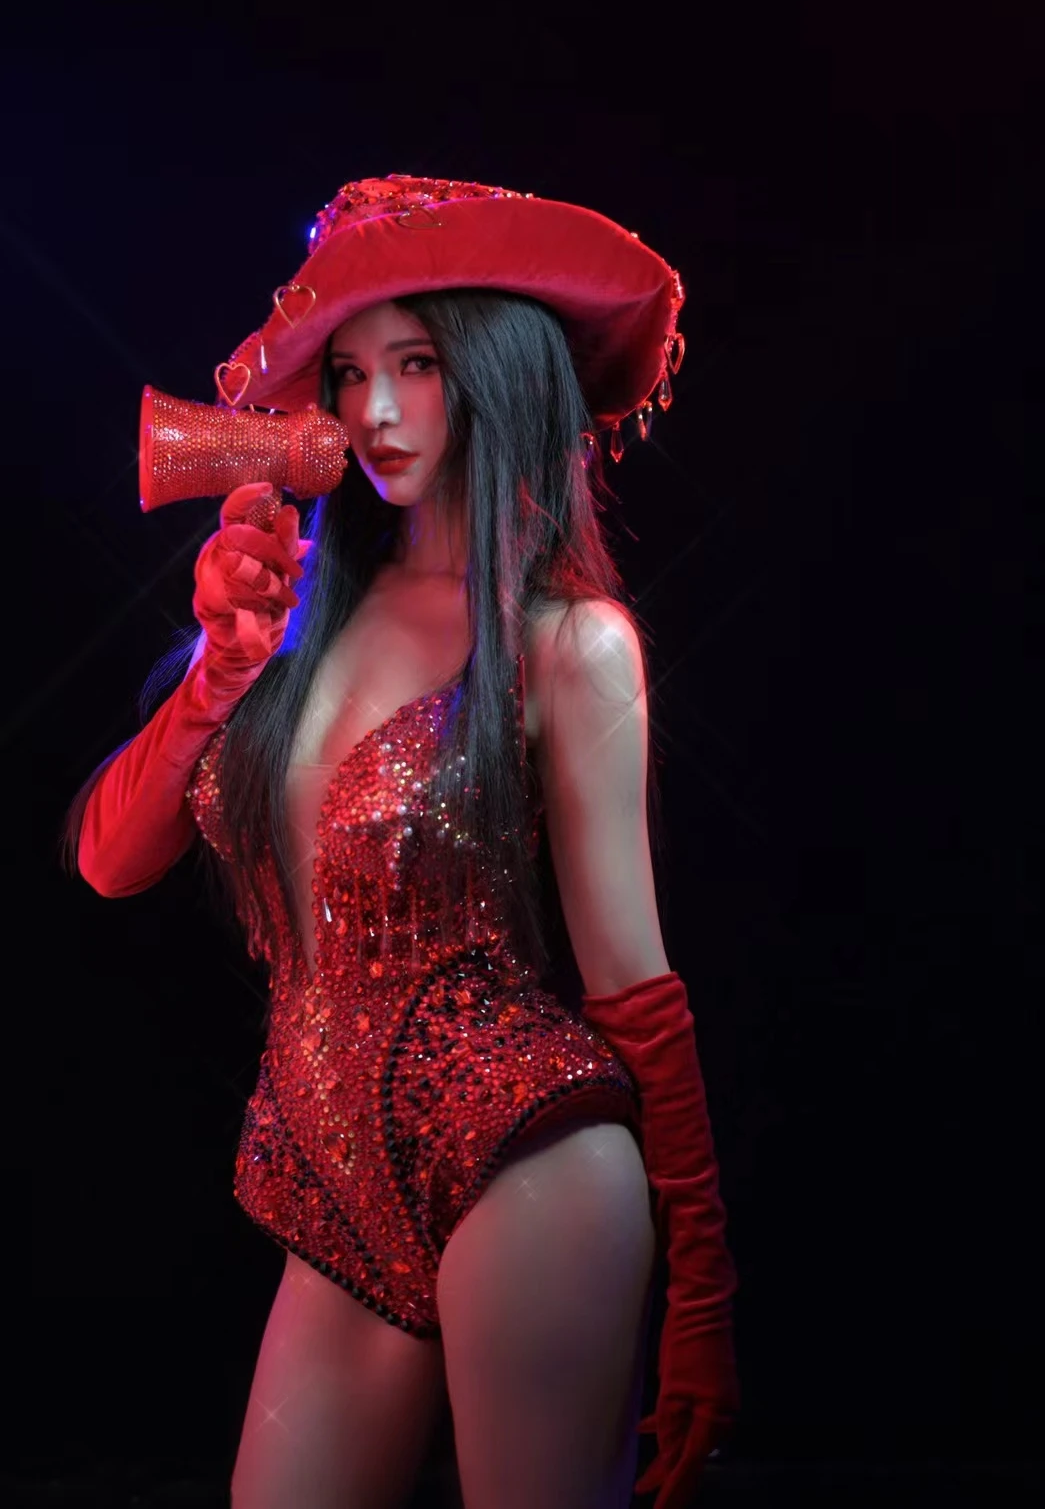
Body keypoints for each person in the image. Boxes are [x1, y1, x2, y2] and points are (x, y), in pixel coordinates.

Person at [67, 175, 739, 1509]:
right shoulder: (294, 611)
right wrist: (214, 678)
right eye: (352, 373)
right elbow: (107, 860)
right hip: (330, 1191)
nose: (373, 411)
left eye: (417, 365)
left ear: (497, 371)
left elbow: (634, 989)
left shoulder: (569, 643)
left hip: (527, 1166)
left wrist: (703, 1288)